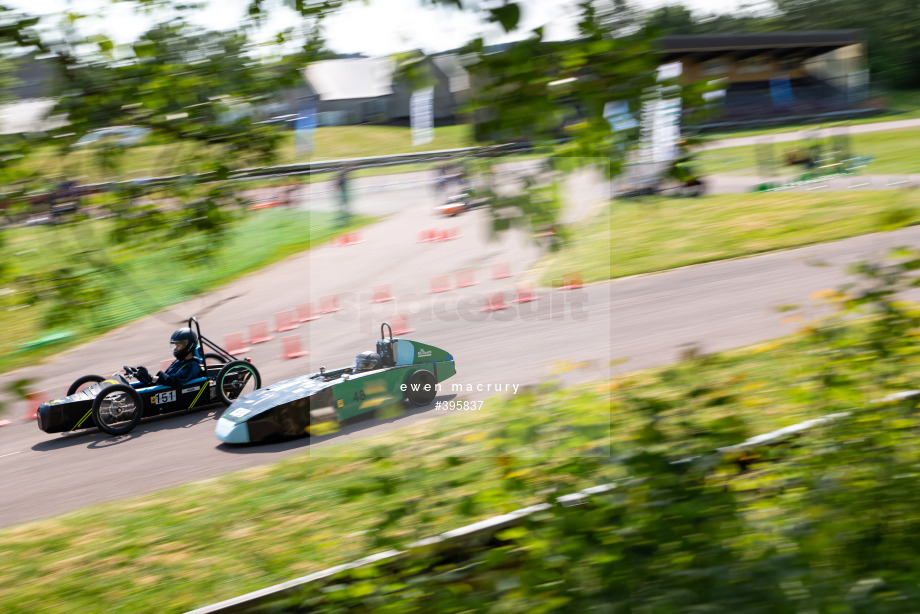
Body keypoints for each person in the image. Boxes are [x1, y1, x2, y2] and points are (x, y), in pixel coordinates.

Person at [135, 328, 203, 386]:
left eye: (178, 346)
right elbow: (165, 379)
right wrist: (142, 377)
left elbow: (173, 381)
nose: (175, 349)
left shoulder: (192, 366)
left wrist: (151, 377)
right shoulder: (178, 361)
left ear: (187, 346)